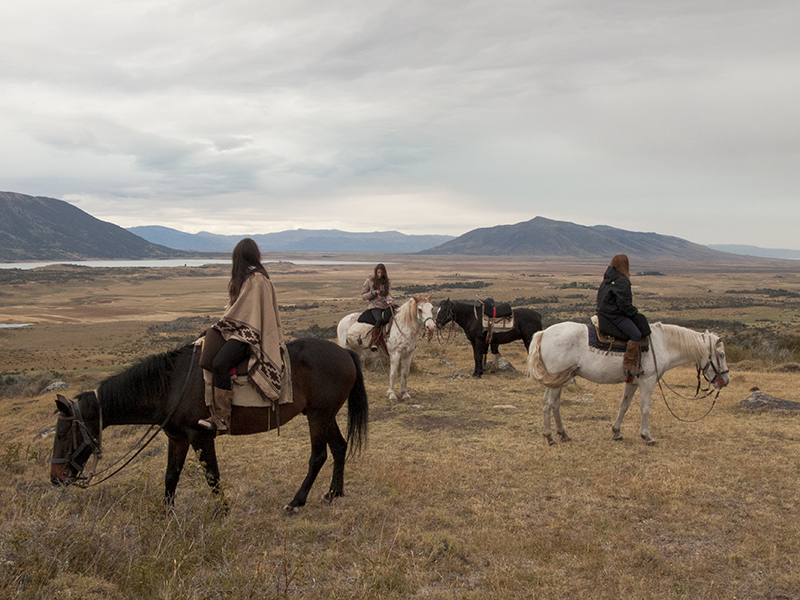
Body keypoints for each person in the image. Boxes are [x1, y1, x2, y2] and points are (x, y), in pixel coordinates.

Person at [199, 238, 284, 433]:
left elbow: (243, 313)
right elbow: (236, 309)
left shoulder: (257, 280)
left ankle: (222, 417)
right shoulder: (248, 279)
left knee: (220, 363)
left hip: (249, 337)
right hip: (240, 331)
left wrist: (221, 324)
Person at [596, 254, 651, 377]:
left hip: (602, 314)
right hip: (614, 316)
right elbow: (624, 305)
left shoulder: (607, 279)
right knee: (636, 334)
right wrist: (633, 312)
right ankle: (629, 365)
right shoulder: (622, 281)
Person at [358, 263, 393, 351]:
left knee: (394, 315)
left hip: (385, 305)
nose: (379, 275)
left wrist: (389, 300)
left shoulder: (387, 281)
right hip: (374, 306)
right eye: (378, 273)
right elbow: (364, 296)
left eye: (381, 273)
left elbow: (388, 294)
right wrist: (373, 293)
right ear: (375, 272)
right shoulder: (369, 281)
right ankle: (374, 342)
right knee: (379, 320)